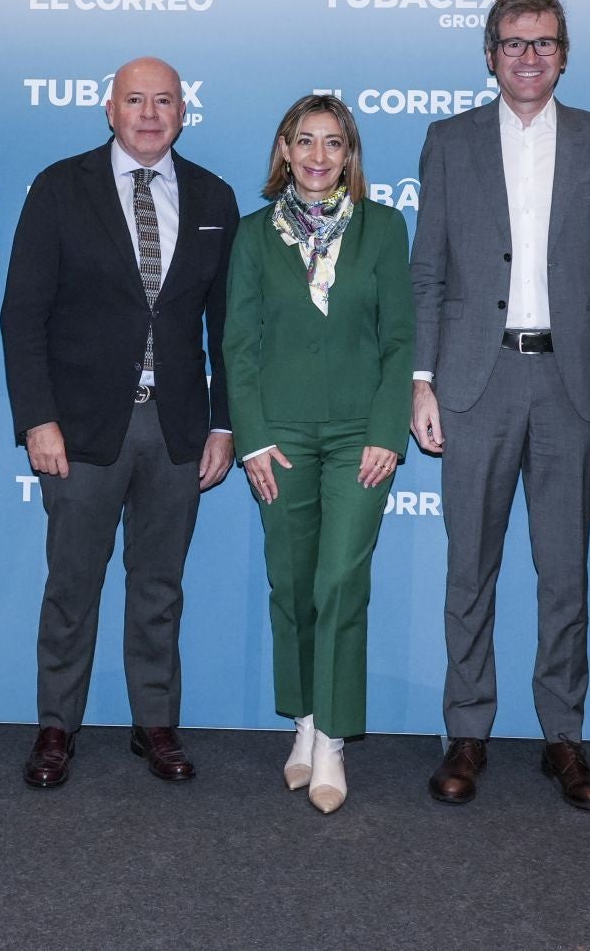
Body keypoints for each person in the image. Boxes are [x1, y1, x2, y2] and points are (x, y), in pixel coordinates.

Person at [409, 0, 590, 810]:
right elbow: (428, 270)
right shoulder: (449, 141)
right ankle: (467, 731)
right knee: (468, 569)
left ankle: (563, 738)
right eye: (514, 43)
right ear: (489, 53)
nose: (529, 56)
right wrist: (422, 381)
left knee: (564, 573)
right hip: (474, 382)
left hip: (572, 384)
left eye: (544, 43)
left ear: (565, 53)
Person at [1, 56, 238, 788]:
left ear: (182, 111)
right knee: (72, 584)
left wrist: (225, 424)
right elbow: (23, 314)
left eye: (163, 100)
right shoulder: (59, 187)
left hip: (176, 429)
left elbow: (230, 327)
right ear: (109, 109)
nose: (148, 112)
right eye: (134, 99)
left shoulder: (212, 196)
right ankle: (54, 726)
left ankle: (155, 724)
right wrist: (37, 419)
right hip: (81, 430)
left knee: (159, 585)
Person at [224, 94, 413, 814]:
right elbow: (239, 346)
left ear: (349, 156)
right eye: (304, 142)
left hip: (359, 435)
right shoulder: (251, 235)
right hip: (282, 436)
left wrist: (388, 432)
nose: (317, 156)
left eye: (333, 144)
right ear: (284, 150)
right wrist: (253, 439)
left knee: (340, 580)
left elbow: (400, 340)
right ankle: (302, 722)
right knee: (291, 581)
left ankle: (332, 737)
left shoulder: (384, 229)